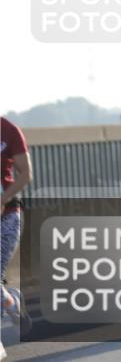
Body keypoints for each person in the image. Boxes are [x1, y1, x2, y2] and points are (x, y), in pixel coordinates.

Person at [1, 118, 32, 334]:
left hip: (8, 214)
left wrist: (3, 199)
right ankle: (10, 300)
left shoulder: (9, 130)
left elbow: (26, 174)